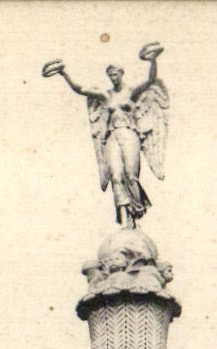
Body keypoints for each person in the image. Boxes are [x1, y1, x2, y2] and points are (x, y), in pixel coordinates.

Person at [44, 47, 168, 228]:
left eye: (115, 73)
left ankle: (136, 213)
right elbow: (80, 89)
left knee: (131, 176)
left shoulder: (131, 92)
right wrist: (63, 73)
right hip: (112, 136)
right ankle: (125, 219)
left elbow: (150, 80)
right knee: (116, 176)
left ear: (121, 73)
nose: (113, 77)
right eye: (110, 75)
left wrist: (153, 60)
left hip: (129, 133)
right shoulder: (105, 95)